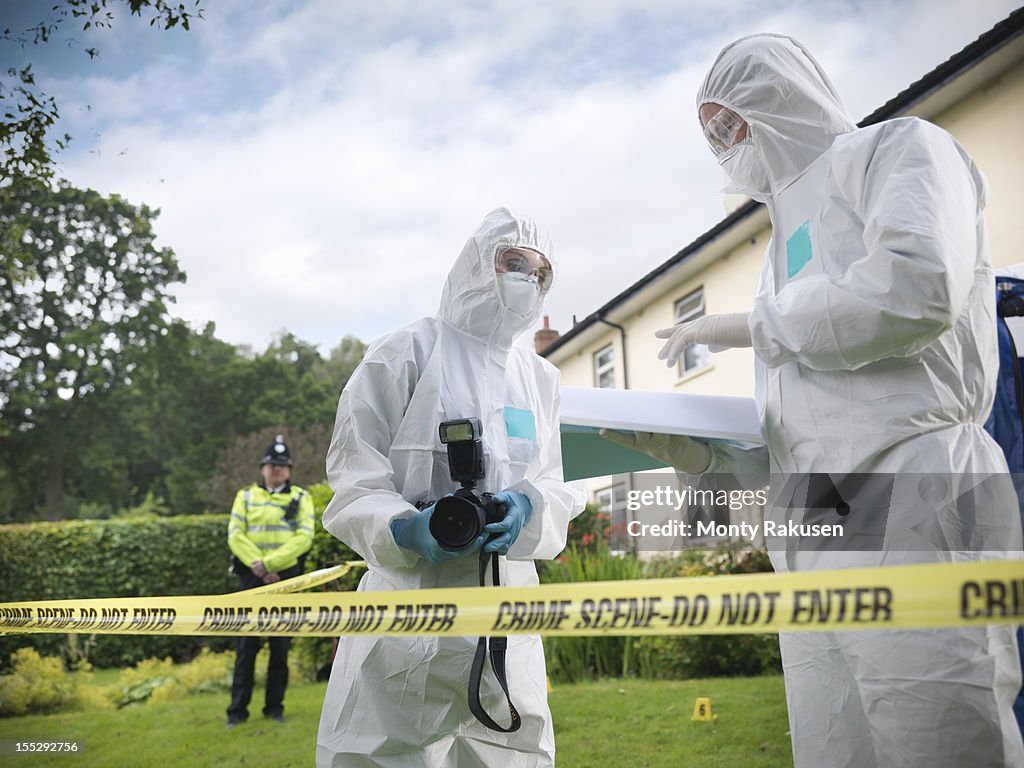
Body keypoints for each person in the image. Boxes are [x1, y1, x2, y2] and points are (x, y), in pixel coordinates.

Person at [606, 34, 1024, 768]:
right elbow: (806, 421)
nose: (725, 144)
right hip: (814, 516)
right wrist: (698, 451)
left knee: (938, 728)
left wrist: (746, 326)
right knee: (833, 741)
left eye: (731, 120)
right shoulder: (776, 250)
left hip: (916, 482)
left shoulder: (899, 151)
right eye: (710, 135)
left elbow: (914, 287)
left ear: (782, 94)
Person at [316, 207, 584, 767]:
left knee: (512, 753)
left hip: (508, 616)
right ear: (477, 266)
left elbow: (560, 486)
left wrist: (525, 509)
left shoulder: (540, 378)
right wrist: (404, 527)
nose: (526, 281)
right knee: (382, 755)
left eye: (540, 272)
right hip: (407, 613)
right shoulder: (404, 354)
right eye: (513, 263)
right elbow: (353, 482)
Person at [225, 435, 315, 728]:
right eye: (271, 465)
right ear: (262, 468)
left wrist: (272, 564)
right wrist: (260, 566)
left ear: (289, 470)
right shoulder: (246, 496)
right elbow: (235, 534)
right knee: (245, 649)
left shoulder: (301, 498)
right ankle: (237, 713)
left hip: (285, 577)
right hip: (252, 577)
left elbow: (305, 537)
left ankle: (274, 709)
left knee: (279, 649)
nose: (276, 470)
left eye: (282, 466)